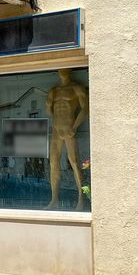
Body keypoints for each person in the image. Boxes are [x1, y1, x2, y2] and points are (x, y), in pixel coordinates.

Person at [45, 69, 88, 210]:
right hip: (56, 130)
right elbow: (49, 112)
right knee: (53, 163)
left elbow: (85, 109)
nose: (62, 71)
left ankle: (81, 199)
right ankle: (54, 199)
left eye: (65, 69)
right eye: (60, 69)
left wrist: (75, 127)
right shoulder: (54, 90)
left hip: (69, 128)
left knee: (75, 162)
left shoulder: (76, 88)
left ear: (69, 71)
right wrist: (47, 104)